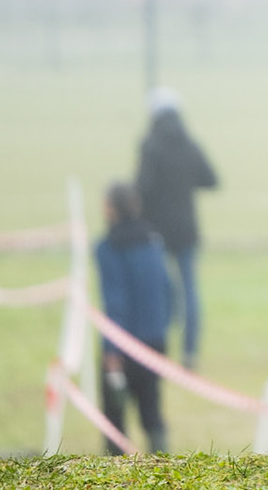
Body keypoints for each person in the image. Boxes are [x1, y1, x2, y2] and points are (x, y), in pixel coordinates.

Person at [136, 87, 218, 370]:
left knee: (161, 291)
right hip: (186, 229)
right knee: (190, 290)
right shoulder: (189, 144)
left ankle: (158, 349)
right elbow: (211, 179)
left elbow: (142, 188)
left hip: (156, 231)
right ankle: (190, 352)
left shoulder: (149, 146)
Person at [95, 181, 173, 454]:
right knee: (151, 410)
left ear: (111, 208)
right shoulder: (154, 240)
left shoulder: (108, 248)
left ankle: (115, 478)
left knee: (114, 418)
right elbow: (168, 289)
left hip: (123, 347)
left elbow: (115, 302)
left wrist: (111, 350)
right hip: (155, 342)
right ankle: (165, 474)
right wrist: (163, 330)